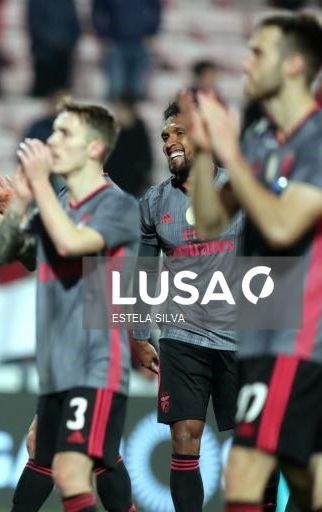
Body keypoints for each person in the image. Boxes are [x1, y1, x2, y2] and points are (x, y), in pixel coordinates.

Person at [185, 12, 322, 511]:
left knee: (243, 473)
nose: (245, 61)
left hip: (301, 336)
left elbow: (285, 224)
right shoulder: (261, 139)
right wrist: (205, 154)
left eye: (259, 52)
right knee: (306, 481)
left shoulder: (316, 138)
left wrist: (229, 152)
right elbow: (207, 222)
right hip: (266, 333)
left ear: (293, 65)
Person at [0, 99, 139, 512]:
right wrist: (15, 205)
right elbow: (4, 254)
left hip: (95, 359)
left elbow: (72, 244)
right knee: (58, 451)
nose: (51, 140)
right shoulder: (59, 203)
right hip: (58, 361)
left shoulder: (117, 205)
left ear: (93, 148)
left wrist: (36, 191)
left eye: (63, 133)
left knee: (72, 469)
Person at [133, 100, 244, 512]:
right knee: (184, 438)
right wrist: (140, 334)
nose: (170, 143)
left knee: (253, 444)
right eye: (165, 136)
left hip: (239, 336)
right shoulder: (154, 202)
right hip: (181, 338)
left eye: (179, 133)